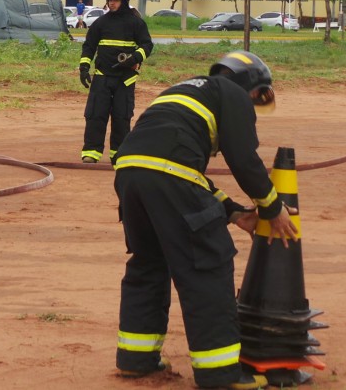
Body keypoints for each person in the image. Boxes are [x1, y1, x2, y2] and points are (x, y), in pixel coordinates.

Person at [112, 51, 298, 390]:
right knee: (207, 266)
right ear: (250, 85)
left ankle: (136, 359)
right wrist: (272, 208)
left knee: (149, 264)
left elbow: (182, 171)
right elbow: (243, 160)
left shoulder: (181, 91)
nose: (255, 104)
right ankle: (220, 373)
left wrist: (234, 213)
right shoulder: (233, 95)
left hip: (130, 173)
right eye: (259, 96)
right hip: (169, 174)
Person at [78, 0, 153, 164]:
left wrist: (135, 58)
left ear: (124, 1)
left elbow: (147, 45)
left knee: (122, 116)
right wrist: (84, 68)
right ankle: (91, 152)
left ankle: (118, 154)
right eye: (109, 0)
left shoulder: (136, 23)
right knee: (96, 114)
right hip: (102, 76)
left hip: (125, 79)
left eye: (115, 0)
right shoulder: (101, 23)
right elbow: (89, 46)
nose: (111, 3)